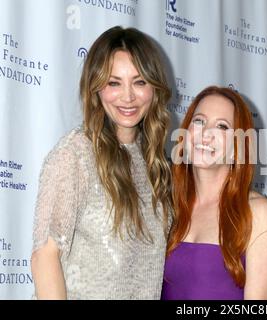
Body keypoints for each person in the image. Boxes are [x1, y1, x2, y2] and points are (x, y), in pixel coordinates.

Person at [31, 26, 172, 299]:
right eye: (114, 83)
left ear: (154, 88)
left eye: (140, 82)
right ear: (95, 88)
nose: (128, 96)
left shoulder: (155, 163)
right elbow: (44, 256)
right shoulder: (75, 154)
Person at [162, 86, 267, 300]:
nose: (205, 135)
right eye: (199, 121)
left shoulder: (259, 213)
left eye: (222, 126)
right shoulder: (167, 205)